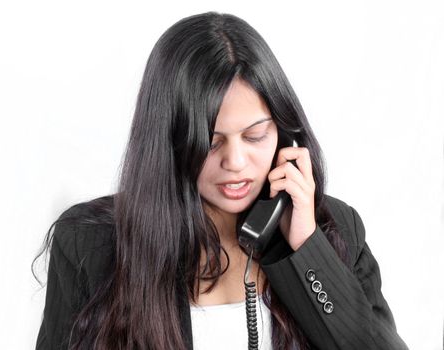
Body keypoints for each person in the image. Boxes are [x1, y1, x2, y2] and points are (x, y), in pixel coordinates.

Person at [33, 11, 409, 350]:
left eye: (255, 136)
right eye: (211, 143)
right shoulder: (88, 244)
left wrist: (307, 249)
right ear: (169, 144)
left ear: (285, 135)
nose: (236, 162)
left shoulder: (335, 230)